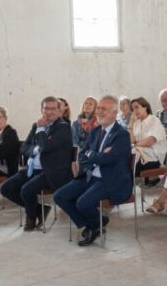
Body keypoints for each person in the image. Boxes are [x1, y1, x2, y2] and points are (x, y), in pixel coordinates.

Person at [54, 96, 133, 247]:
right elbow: (82, 155)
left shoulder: (122, 134)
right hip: (91, 176)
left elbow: (109, 159)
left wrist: (93, 155)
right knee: (60, 196)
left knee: (83, 203)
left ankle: (94, 226)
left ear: (114, 113)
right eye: (99, 108)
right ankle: (94, 224)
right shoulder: (95, 131)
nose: (99, 112)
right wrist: (95, 156)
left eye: (104, 109)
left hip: (110, 180)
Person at [0, 96, 73, 231]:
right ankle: (40, 209)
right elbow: (23, 147)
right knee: (5, 188)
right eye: (46, 108)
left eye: (53, 109)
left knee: (26, 190)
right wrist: (34, 150)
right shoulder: (35, 125)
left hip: (51, 171)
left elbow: (46, 146)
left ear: (59, 111)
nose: (49, 112)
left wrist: (40, 129)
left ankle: (31, 218)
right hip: (32, 168)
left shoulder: (64, 127)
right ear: (41, 110)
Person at [128, 96, 167, 176]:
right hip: (138, 155)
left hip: (153, 158)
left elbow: (149, 141)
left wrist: (134, 145)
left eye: (136, 107)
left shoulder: (154, 121)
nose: (134, 111)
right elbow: (131, 140)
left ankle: (131, 183)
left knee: (127, 165)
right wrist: (131, 124)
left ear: (145, 107)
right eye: (133, 109)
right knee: (122, 163)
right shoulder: (136, 123)